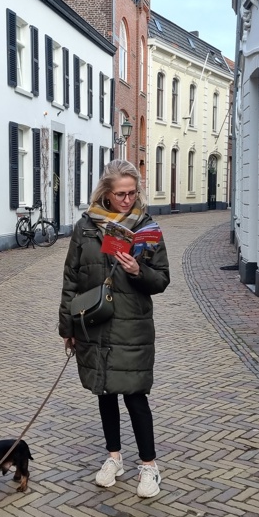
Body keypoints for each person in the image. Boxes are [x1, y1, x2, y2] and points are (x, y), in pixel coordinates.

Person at [59, 159, 170, 498]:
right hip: (94, 322)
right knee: (104, 392)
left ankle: (149, 466)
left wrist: (138, 270)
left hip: (132, 326)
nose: (127, 199)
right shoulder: (86, 227)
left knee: (136, 396)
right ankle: (114, 458)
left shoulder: (148, 228)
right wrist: (68, 327)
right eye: (121, 194)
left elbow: (162, 280)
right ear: (106, 193)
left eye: (132, 193)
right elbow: (71, 278)